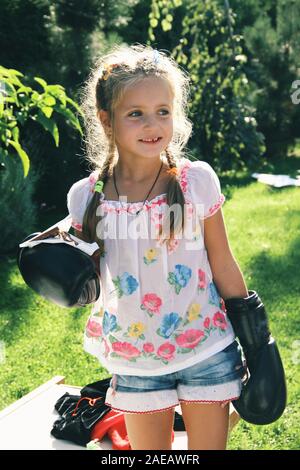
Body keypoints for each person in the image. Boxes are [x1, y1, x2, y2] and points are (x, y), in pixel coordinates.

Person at [66, 43, 249, 450]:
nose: (153, 124)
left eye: (163, 111)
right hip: (134, 358)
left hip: (205, 346)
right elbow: (85, 282)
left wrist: (257, 338)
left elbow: (222, 261)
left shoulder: (194, 182)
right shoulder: (85, 197)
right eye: (136, 114)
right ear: (106, 119)